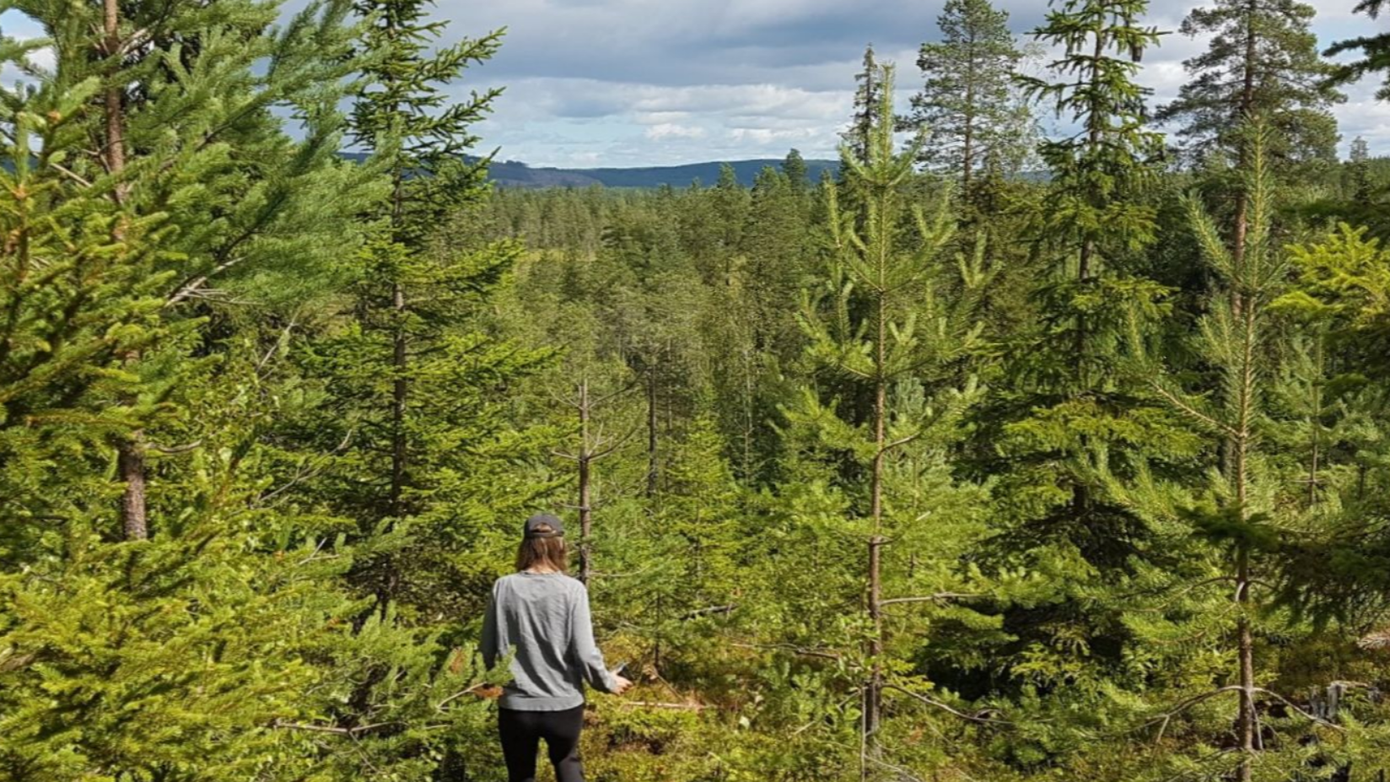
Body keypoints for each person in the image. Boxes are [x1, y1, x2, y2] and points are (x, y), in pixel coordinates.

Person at [480, 513, 633, 782]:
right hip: (563, 705)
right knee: (567, 763)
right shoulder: (572, 590)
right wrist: (607, 682)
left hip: (516, 706)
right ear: (560, 545)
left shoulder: (503, 587)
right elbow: (585, 653)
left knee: (520, 774)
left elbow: (486, 650)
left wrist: (487, 687)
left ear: (525, 545)